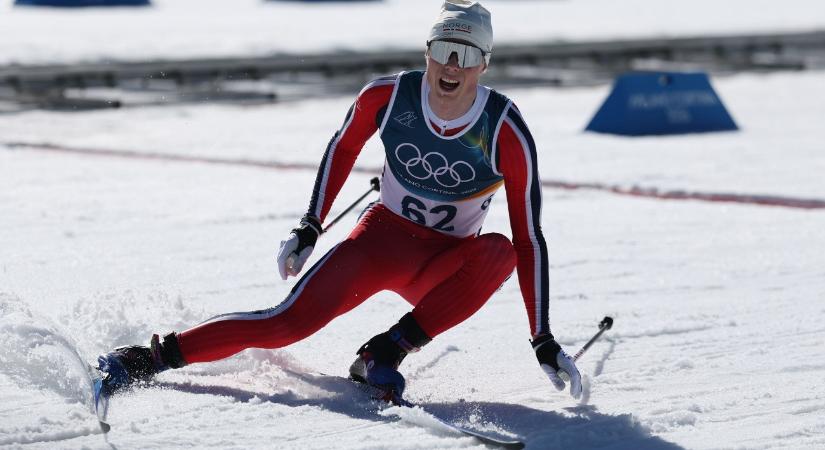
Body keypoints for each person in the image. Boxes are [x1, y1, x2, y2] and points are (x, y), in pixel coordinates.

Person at [97, 0, 582, 404]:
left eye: (466, 54)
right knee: (285, 323)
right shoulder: (388, 96)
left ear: (484, 64)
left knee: (500, 252)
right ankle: (147, 358)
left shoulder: (504, 129)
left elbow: (529, 238)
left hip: (442, 265)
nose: (452, 65)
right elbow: (343, 147)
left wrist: (542, 338)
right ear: (427, 51)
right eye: (443, 49)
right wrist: (310, 225)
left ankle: (384, 354)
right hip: (380, 243)